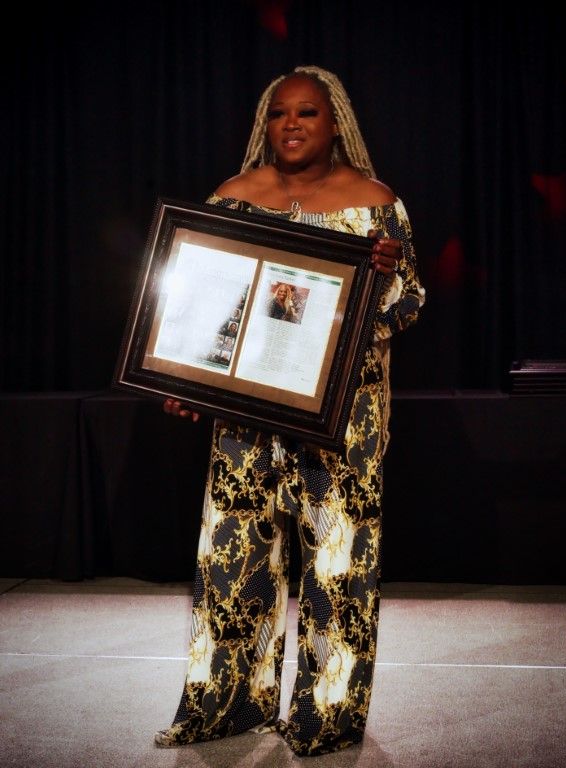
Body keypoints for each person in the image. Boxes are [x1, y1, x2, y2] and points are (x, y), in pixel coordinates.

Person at [156, 65, 425, 757]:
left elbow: (408, 306)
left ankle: (327, 713)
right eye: (280, 114)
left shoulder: (374, 204)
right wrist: (187, 377)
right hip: (247, 417)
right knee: (234, 564)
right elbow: (204, 308)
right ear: (265, 124)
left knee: (339, 565)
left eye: (307, 113)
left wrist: (388, 275)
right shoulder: (234, 197)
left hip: (344, 419)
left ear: (335, 122)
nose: (293, 124)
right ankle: (226, 705)